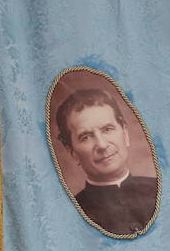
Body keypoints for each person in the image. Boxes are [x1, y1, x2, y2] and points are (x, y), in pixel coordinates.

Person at [53, 87, 156, 235]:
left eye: (107, 129)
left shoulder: (162, 190)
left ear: (125, 133)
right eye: (86, 137)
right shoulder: (70, 216)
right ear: (73, 152)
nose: (101, 145)